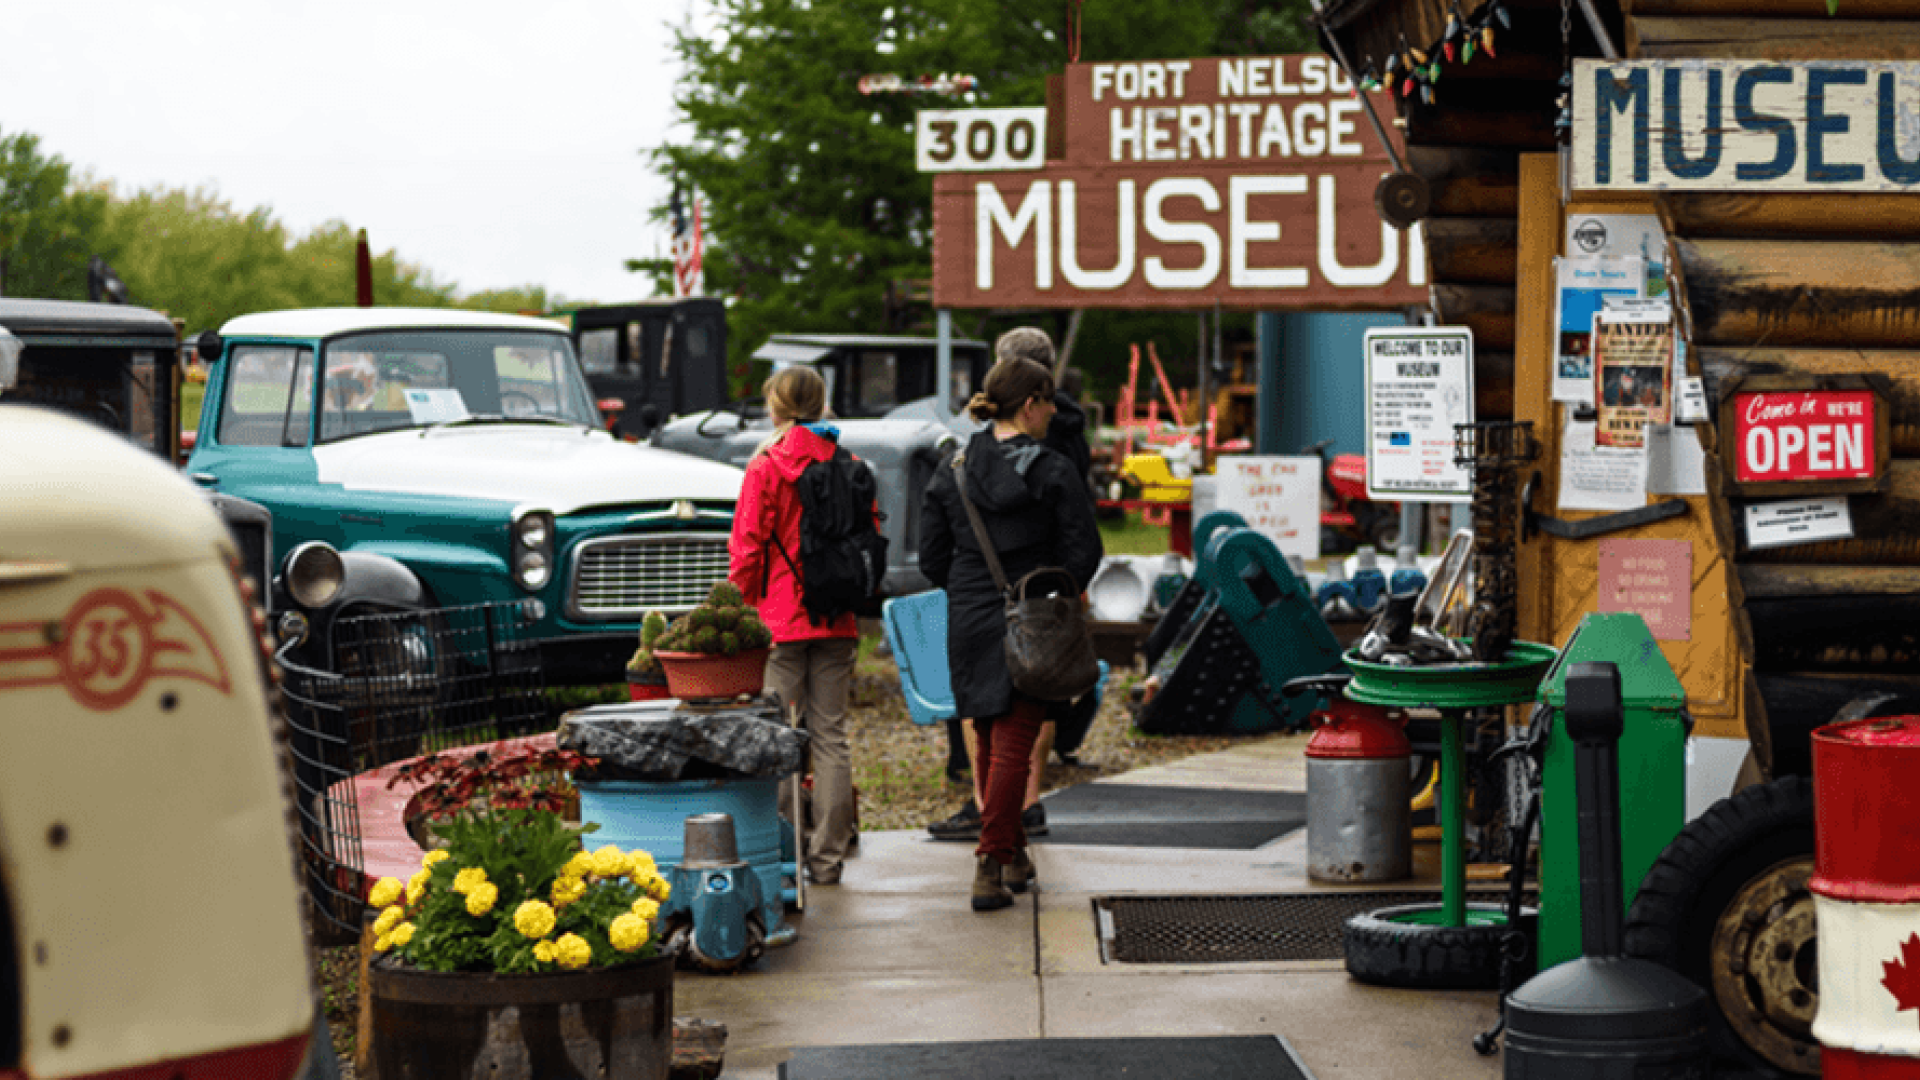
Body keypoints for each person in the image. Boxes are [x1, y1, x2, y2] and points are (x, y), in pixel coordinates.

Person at [920, 354, 1103, 911]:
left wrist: (969, 585)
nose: (1052, 412)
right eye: (1048, 402)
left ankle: (1014, 853)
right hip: (1033, 614)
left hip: (971, 614)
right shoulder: (1051, 471)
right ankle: (991, 859)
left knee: (986, 735)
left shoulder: (951, 468)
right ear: (1029, 405)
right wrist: (1056, 591)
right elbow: (1084, 552)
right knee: (1015, 745)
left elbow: (932, 557)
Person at [728, 365, 867, 886]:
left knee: (778, 739)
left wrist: (738, 608)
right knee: (832, 737)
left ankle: (783, 855)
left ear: (777, 406)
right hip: (837, 617)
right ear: (821, 402)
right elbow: (869, 530)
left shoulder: (767, 464)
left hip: (782, 619)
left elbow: (747, 545)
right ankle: (827, 858)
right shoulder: (849, 461)